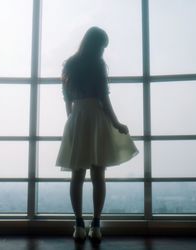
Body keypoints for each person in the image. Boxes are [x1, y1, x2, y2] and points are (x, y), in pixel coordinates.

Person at [56, 26, 139, 243]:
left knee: (77, 175)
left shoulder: (70, 65)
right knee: (98, 175)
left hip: (77, 119)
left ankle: (78, 224)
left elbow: (67, 100)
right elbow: (104, 99)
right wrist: (116, 123)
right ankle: (96, 224)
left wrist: (71, 121)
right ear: (97, 46)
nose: (103, 51)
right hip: (96, 119)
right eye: (102, 46)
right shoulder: (98, 65)